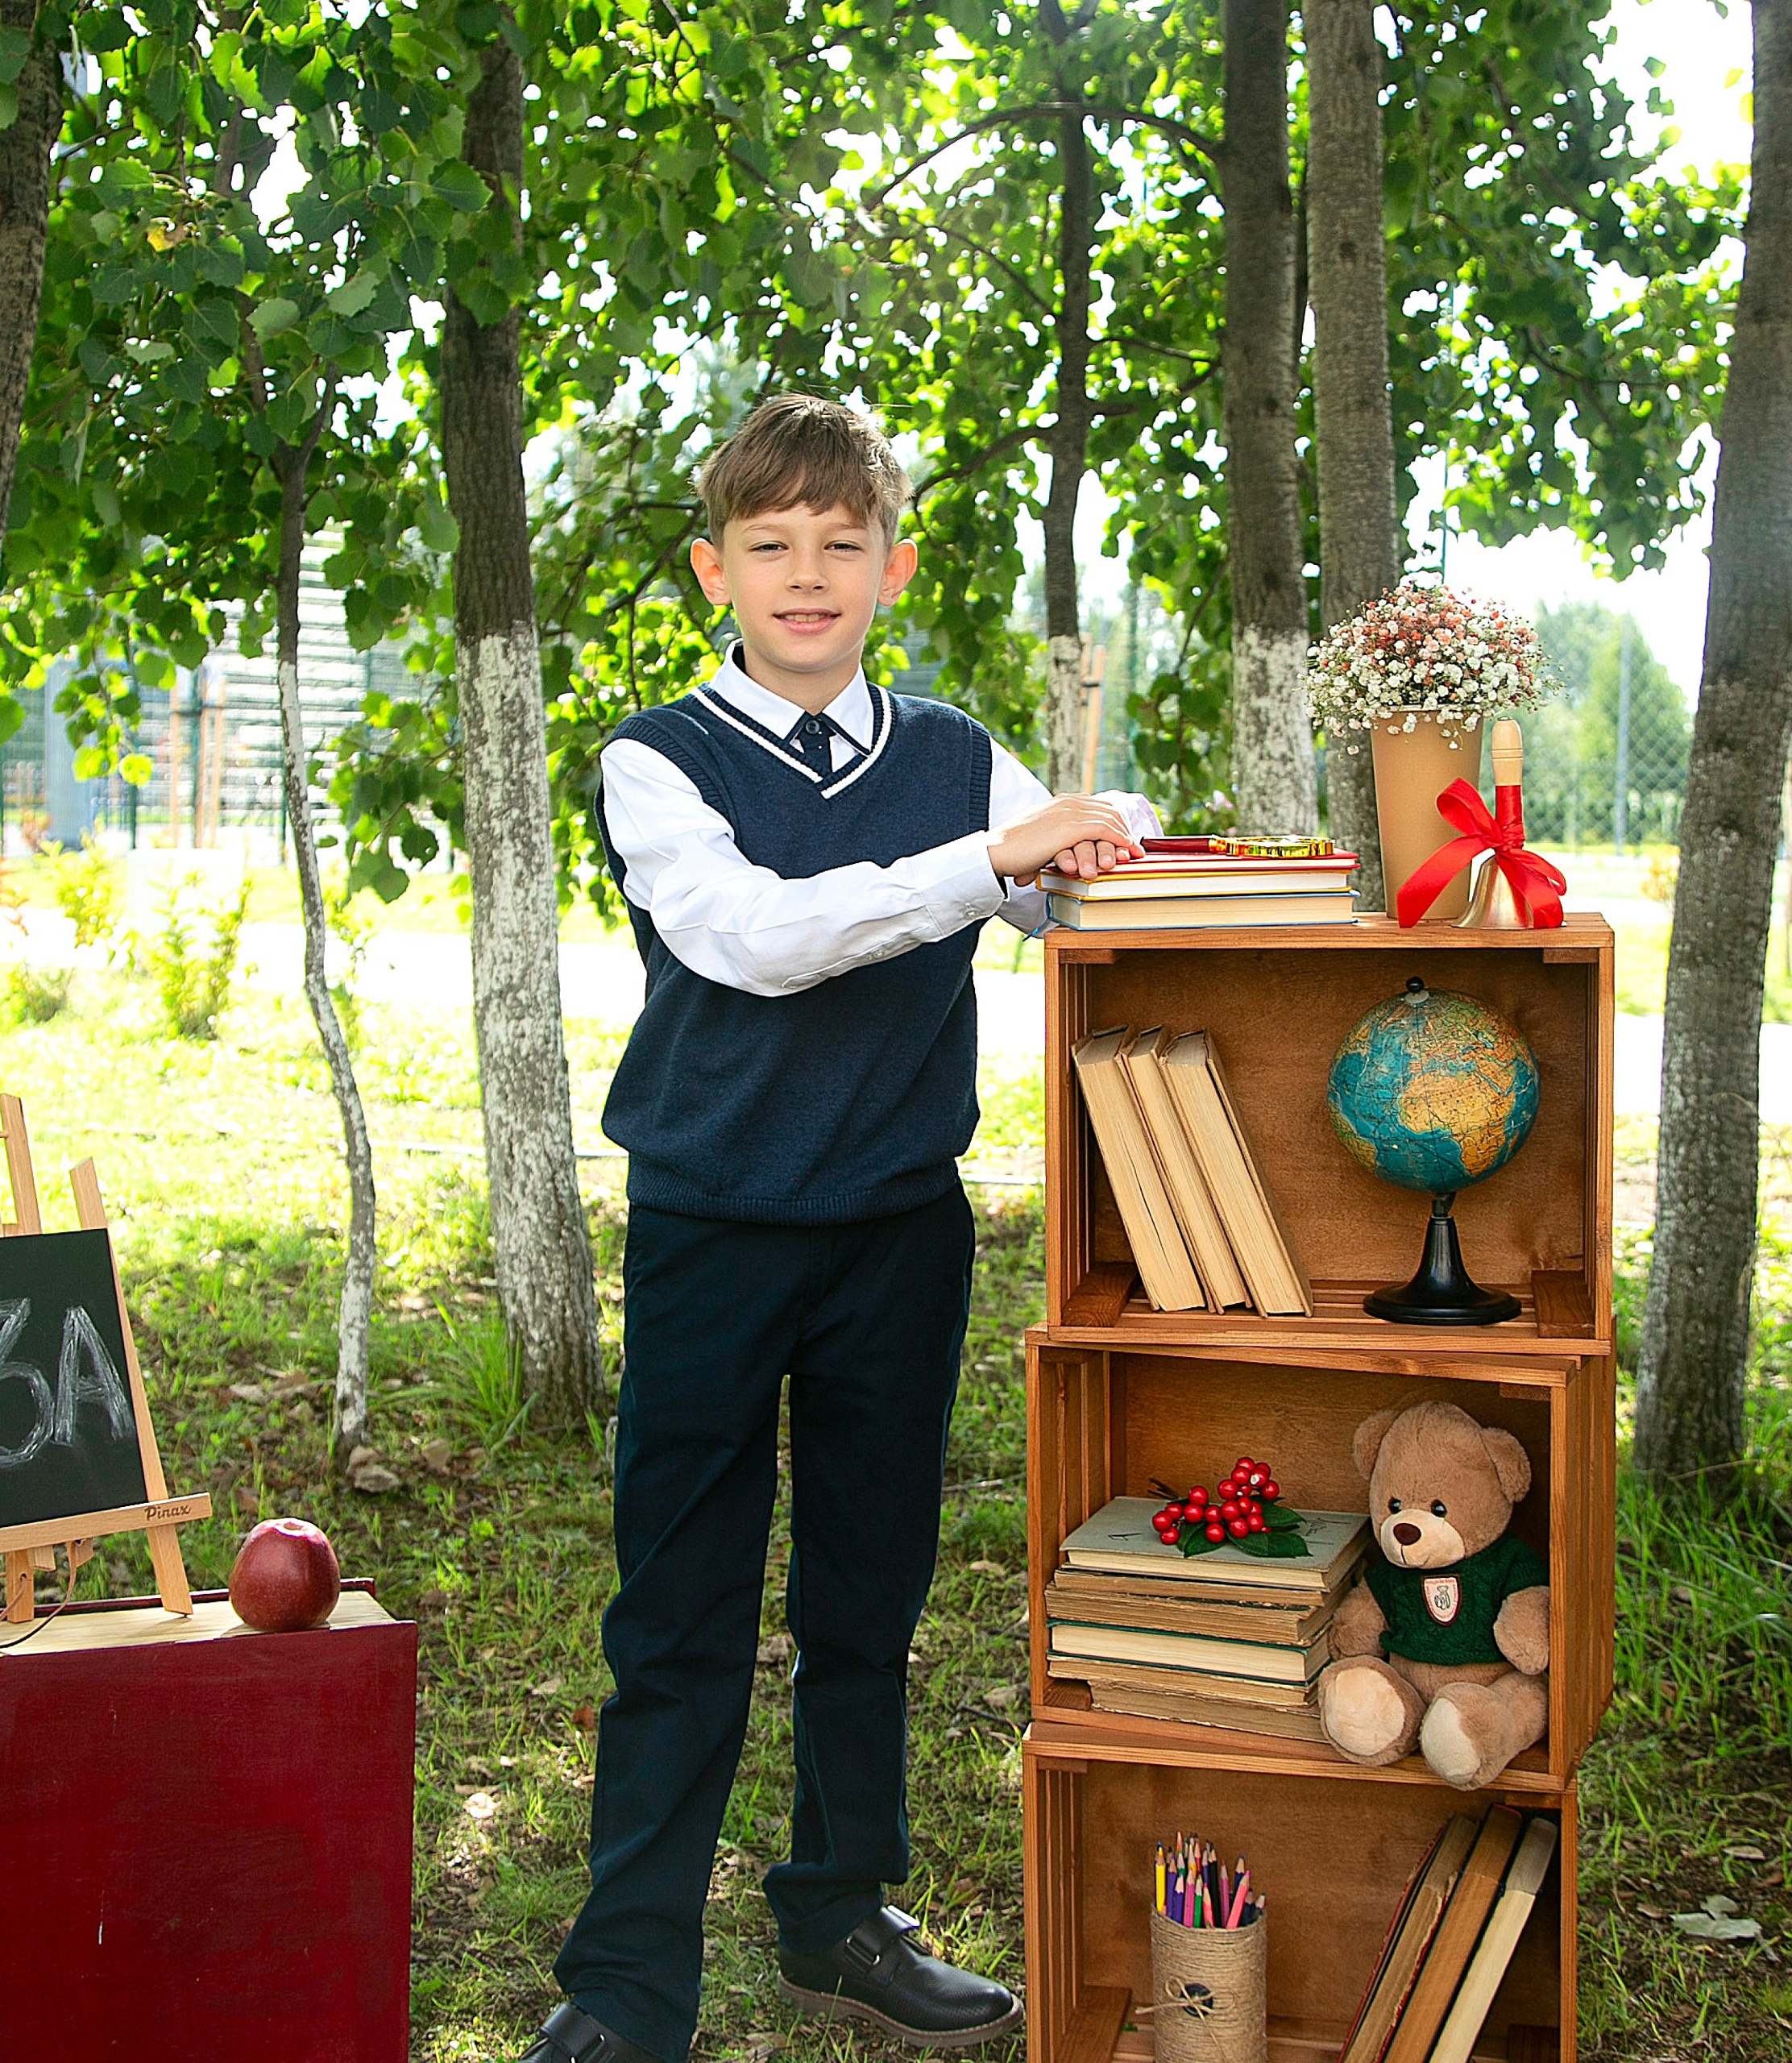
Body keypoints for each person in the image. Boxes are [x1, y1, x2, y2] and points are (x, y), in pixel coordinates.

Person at [524, 396, 1162, 2063]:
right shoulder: (653, 755)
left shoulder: (957, 750)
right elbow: (755, 937)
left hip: (894, 1225)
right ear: (711, 569)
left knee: (865, 1591)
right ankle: (625, 1977)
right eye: (767, 544)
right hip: (710, 1227)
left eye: (840, 540)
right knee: (676, 1607)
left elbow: (1079, 879)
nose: (805, 574)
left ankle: (838, 1907)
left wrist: (1108, 846)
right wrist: (989, 861)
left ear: (891, 559)